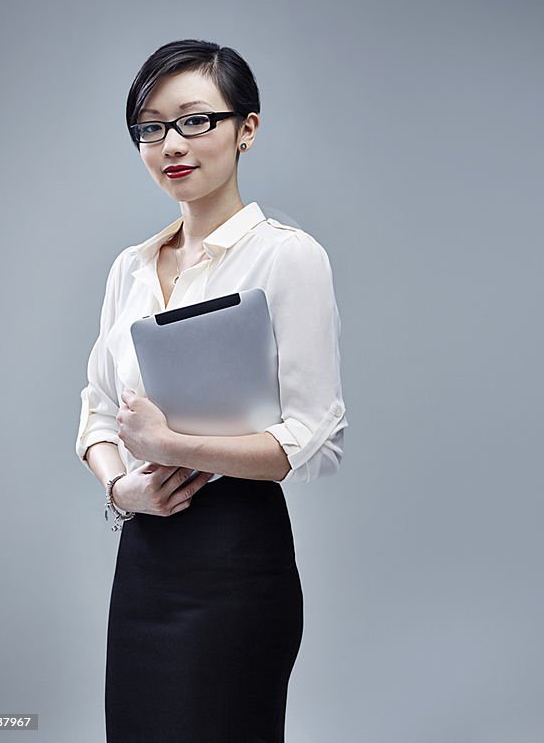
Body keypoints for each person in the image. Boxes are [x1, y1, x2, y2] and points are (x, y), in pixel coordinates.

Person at [74, 39, 348, 742]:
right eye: (151, 127)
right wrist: (119, 490)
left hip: (237, 563)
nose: (172, 143)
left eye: (196, 120)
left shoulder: (287, 255)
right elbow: (97, 410)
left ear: (245, 128)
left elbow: (312, 439)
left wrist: (171, 446)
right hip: (143, 562)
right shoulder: (129, 269)